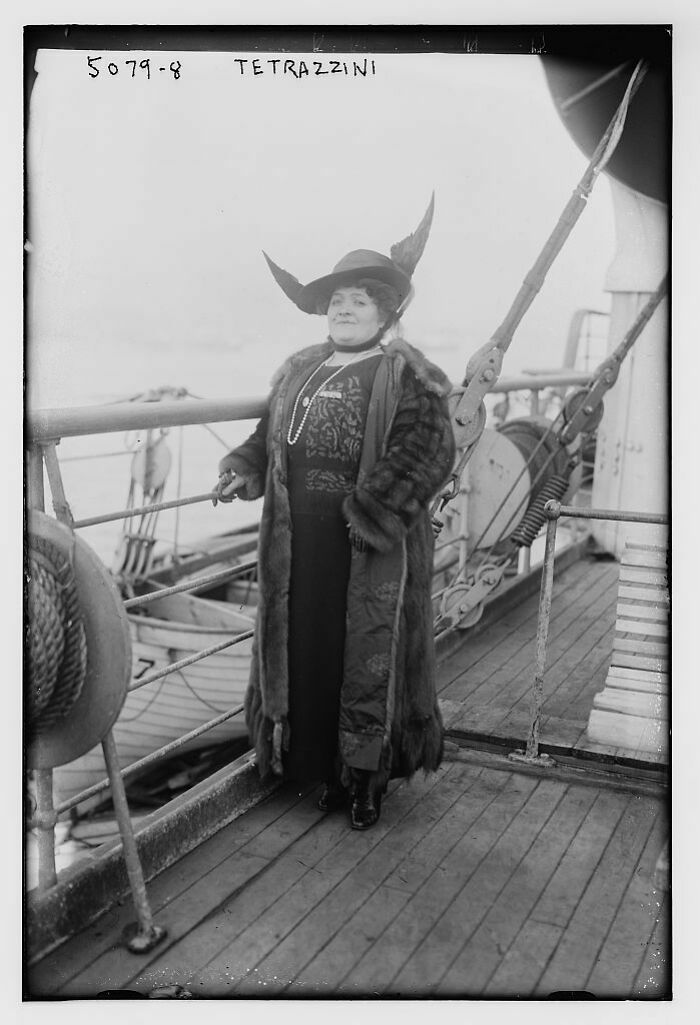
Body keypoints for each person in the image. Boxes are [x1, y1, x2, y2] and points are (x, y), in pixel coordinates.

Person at [214, 198, 455, 829]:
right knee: (312, 653)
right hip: (301, 544)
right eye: (336, 300)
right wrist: (242, 465)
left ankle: (368, 781)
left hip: (369, 543)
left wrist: (373, 509)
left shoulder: (408, 374)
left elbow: (427, 452)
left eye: (359, 301)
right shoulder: (301, 369)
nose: (344, 310)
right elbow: (270, 434)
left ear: (386, 311)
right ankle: (325, 768)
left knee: (369, 657)